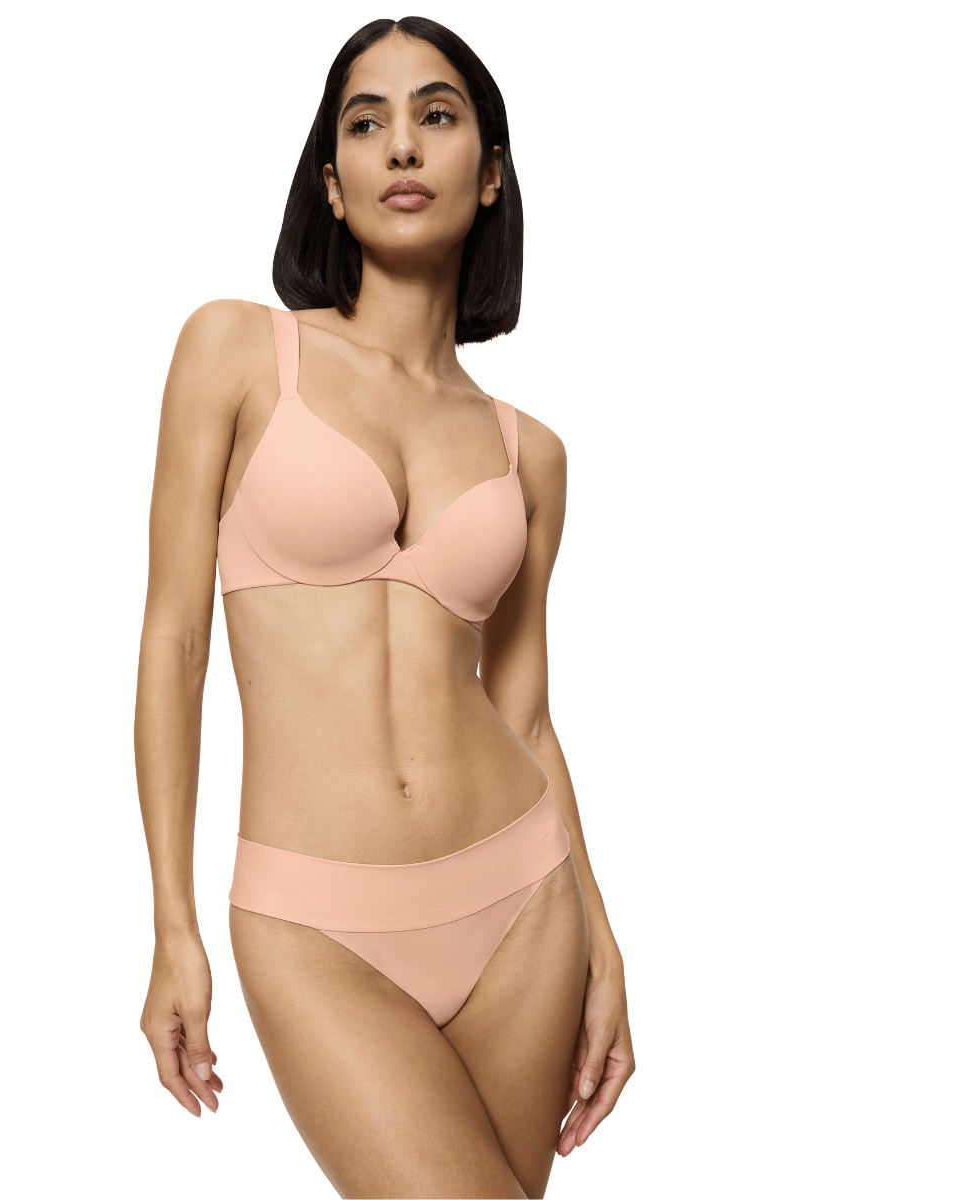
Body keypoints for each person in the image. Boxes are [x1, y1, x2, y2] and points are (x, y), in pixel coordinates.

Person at [134, 16, 634, 1197]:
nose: (402, 145)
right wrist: (171, 922)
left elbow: (526, 714)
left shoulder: (531, 455)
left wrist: (605, 942)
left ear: (491, 172)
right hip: (313, 924)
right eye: (367, 123)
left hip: (521, 904)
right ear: (333, 183)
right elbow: (173, 640)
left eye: (436, 115)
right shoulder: (237, 353)